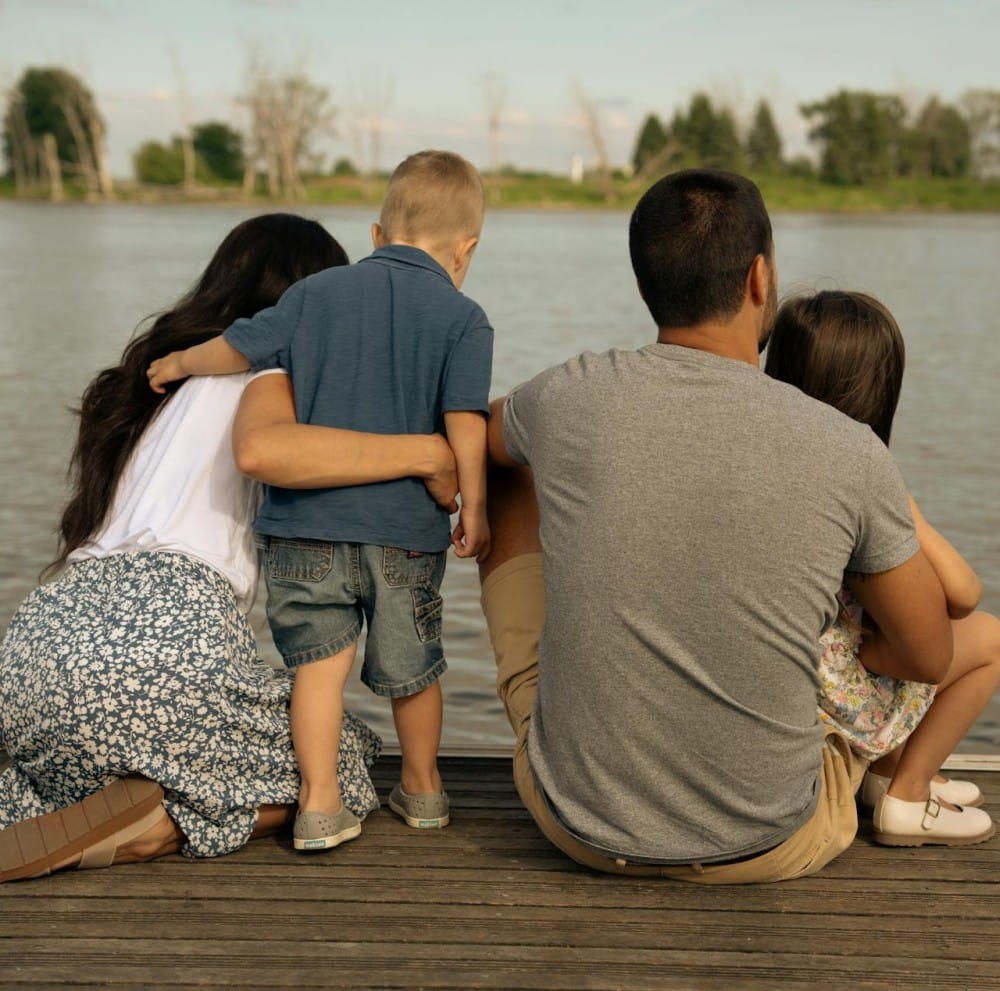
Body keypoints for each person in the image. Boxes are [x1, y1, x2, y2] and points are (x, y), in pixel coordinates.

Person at [475, 168, 958, 883]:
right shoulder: (846, 447)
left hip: (572, 822)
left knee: (507, 473)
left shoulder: (569, 392)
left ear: (645, 289)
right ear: (760, 277)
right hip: (772, 844)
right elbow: (928, 656)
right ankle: (892, 774)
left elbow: (476, 440)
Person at [0, 213, 407, 882]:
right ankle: (160, 824)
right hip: (161, 650)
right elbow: (278, 453)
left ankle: (95, 797)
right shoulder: (277, 378)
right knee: (341, 757)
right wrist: (427, 452)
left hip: (33, 651)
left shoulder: (153, 388)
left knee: (92, 748)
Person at [146, 151, 494, 849]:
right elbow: (466, 420)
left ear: (375, 235)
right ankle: (423, 792)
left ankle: (319, 805)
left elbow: (240, 349)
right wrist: (475, 507)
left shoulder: (314, 296)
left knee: (317, 670)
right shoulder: (464, 317)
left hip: (306, 530)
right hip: (404, 533)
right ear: (468, 249)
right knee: (413, 668)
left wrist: (180, 362)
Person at [764, 290, 999, 845]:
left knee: (885, 636)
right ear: (880, 392)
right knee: (988, 638)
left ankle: (885, 774)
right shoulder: (862, 479)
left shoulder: (772, 470)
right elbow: (963, 594)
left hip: (800, 683)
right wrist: (906, 506)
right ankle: (907, 796)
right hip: (839, 700)